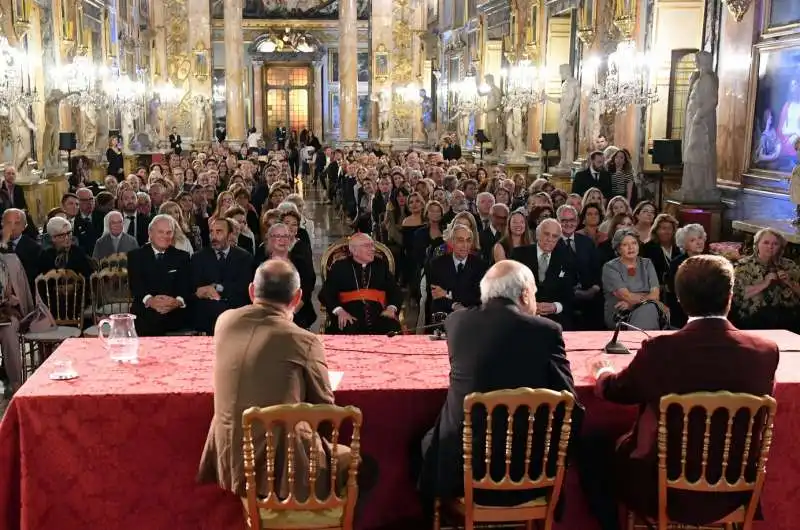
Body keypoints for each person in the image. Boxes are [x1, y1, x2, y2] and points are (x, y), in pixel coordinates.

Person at [579, 255, 779, 530]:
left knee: (592, 444)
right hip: (734, 487)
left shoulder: (661, 351)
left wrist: (602, 372)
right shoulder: (765, 352)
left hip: (663, 488)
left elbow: (616, 392)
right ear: (729, 297)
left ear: (680, 300)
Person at [197, 259, 376, 502]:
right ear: (297, 297)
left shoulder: (225, 321)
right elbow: (324, 411)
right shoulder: (303, 340)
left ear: (252, 291)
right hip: (283, 469)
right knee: (366, 467)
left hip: (230, 456)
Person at [417, 260, 580, 511]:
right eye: (535, 292)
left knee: (430, 439)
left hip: (462, 474)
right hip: (527, 474)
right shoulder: (547, 331)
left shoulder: (456, 323)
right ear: (525, 294)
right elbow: (568, 401)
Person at [319, 232, 402, 334]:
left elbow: (395, 290)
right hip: (349, 316)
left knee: (392, 328)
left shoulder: (380, 265)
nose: (373, 249)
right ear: (354, 250)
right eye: (367, 246)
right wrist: (340, 311)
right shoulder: (339, 267)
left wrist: (391, 308)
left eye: (372, 245)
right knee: (347, 328)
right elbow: (326, 293)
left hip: (379, 316)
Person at [127, 215, 192, 336]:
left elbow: (186, 286)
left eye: (169, 232)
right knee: (150, 318)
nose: (165, 236)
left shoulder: (182, 257)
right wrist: (151, 301)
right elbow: (136, 286)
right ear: (150, 233)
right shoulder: (135, 256)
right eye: (161, 232)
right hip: (146, 308)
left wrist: (177, 302)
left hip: (174, 310)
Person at [190, 218, 253, 335]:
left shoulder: (244, 258)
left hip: (235, 316)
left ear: (230, 235)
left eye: (219, 232)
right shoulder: (198, 258)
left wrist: (217, 287)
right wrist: (201, 291)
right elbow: (195, 289)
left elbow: (243, 289)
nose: (213, 236)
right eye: (211, 232)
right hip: (207, 319)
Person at [511, 218, 576, 329]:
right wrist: (528, 306)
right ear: (537, 235)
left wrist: (555, 307)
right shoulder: (519, 255)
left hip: (555, 318)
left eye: (555, 236)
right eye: (546, 234)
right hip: (524, 315)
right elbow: (510, 289)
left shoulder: (566, 258)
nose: (550, 239)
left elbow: (569, 294)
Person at [601, 227, 663, 330]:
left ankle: (641, 342)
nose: (631, 247)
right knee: (649, 307)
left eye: (634, 243)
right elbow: (626, 296)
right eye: (625, 245)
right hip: (620, 313)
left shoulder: (647, 263)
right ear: (618, 248)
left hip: (645, 308)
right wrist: (646, 297)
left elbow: (655, 295)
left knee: (649, 308)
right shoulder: (610, 267)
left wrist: (631, 304)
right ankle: (645, 343)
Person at [427, 224, 487, 318]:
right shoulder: (437, 264)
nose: (465, 245)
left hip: (471, 316)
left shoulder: (480, 265)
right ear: (452, 242)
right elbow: (436, 296)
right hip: (445, 315)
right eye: (460, 240)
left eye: (468, 240)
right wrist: (455, 305)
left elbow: (477, 297)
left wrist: (448, 294)